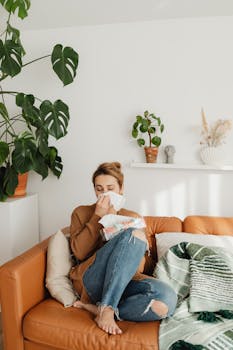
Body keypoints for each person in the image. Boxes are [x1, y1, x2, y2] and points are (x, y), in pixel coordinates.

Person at [69, 161, 177, 335]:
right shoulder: (81, 213)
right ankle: (107, 308)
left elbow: (141, 267)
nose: (105, 193)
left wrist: (123, 238)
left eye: (110, 188)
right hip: (91, 279)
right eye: (99, 189)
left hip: (122, 284)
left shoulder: (132, 217)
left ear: (121, 189)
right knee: (133, 235)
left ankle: (102, 309)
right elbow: (80, 252)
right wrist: (98, 217)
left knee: (166, 301)